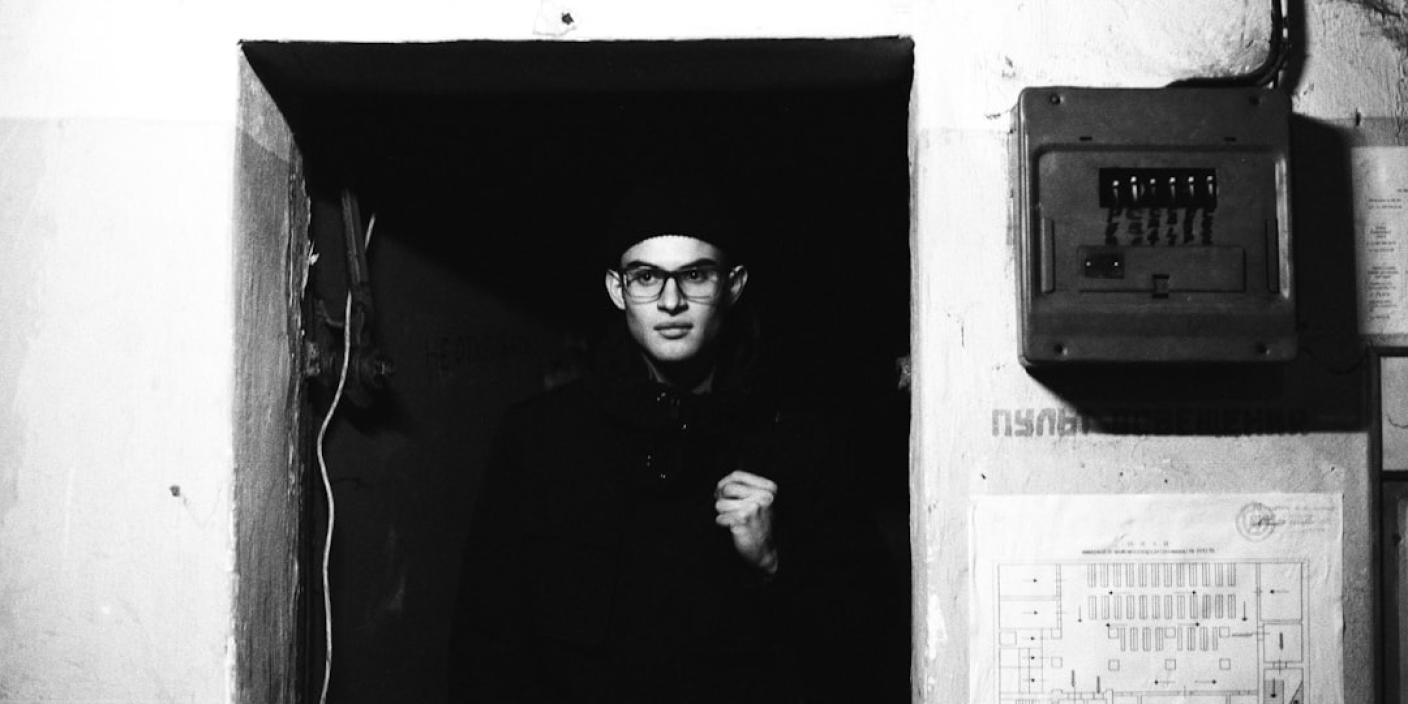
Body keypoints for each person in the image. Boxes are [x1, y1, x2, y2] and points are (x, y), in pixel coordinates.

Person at [448, 184, 895, 703]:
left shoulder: (802, 442)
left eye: (695, 275)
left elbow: (866, 645)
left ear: (733, 285)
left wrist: (774, 562)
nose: (670, 301)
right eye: (646, 277)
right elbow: (486, 646)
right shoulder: (540, 438)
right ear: (617, 289)